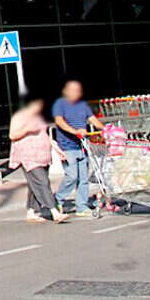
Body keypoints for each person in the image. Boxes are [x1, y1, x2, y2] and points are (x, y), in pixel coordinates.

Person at [51, 79, 104, 217]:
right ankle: (58, 198)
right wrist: (75, 131)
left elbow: (92, 119)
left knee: (83, 179)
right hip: (67, 146)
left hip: (82, 146)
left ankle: (82, 206)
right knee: (72, 176)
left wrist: (106, 129)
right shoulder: (60, 104)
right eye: (73, 90)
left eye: (78, 90)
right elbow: (59, 121)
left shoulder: (83, 105)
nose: (76, 93)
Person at [8, 97, 65, 223]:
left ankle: (31, 211)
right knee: (43, 182)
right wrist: (27, 130)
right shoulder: (19, 117)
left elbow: (45, 135)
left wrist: (57, 149)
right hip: (28, 157)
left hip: (43, 156)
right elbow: (12, 135)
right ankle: (54, 211)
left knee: (34, 184)